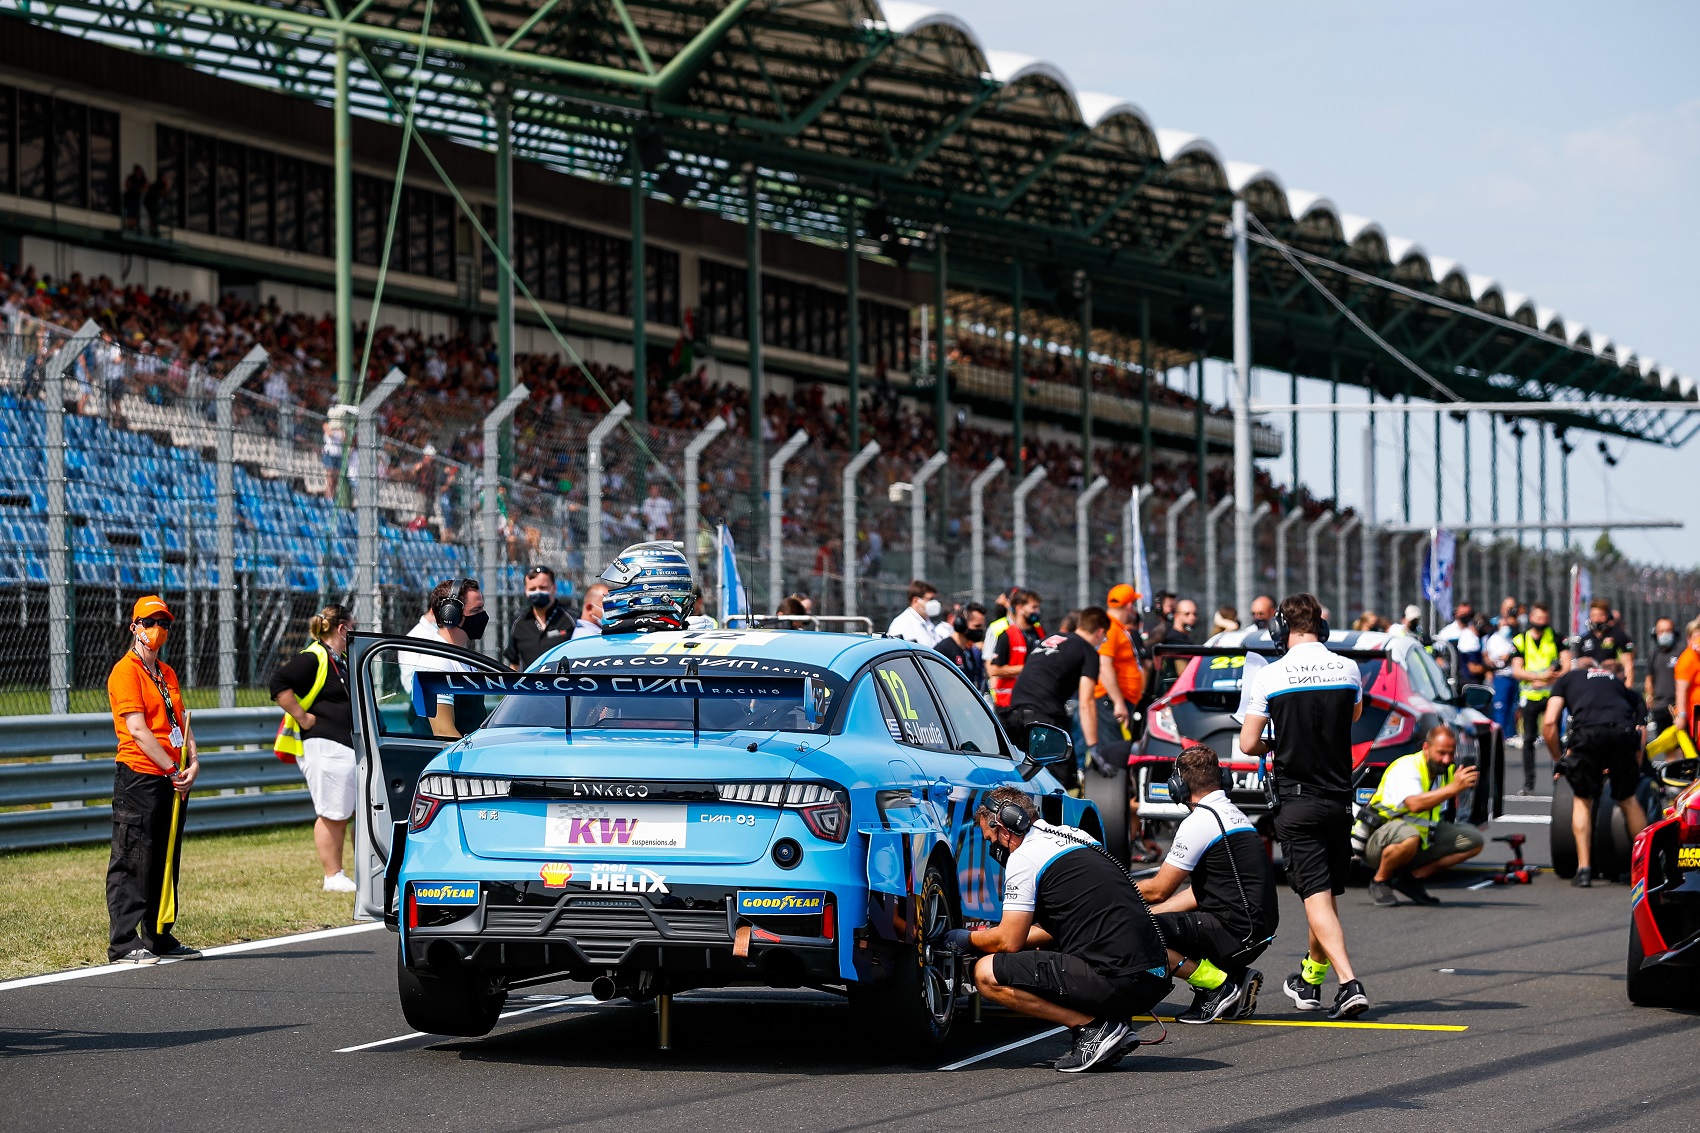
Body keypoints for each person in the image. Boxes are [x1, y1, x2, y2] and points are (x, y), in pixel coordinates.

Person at [947, 787, 1171, 1072]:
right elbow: (1059, 927)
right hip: (1152, 976)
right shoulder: (1075, 836)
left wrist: (966, 939)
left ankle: (1092, 1027)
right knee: (1043, 948)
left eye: (992, 839)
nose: (995, 849)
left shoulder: (1024, 857)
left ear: (1005, 827)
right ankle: (1109, 1019)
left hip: (1120, 979)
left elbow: (1008, 942)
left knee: (987, 973)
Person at [1240, 592, 1369, 1020]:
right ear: (1323, 628)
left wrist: (1277, 741)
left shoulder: (1271, 676)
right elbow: (1352, 717)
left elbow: (1247, 742)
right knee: (1326, 896)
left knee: (1315, 897)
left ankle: (1349, 983)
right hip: (1339, 797)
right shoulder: (1348, 668)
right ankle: (1310, 980)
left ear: (1280, 629)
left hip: (1296, 799)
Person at [1138, 745, 1278, 1024]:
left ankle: (1215, 986)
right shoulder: (1233, 816)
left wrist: (1113, 891)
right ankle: (1235, 977)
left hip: (1234, 933)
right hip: (1254, 932)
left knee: (1135, 931)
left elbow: (1157, 889)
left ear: (1177, 785)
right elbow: (1197, 893)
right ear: (1223, 779)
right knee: (1152, 919)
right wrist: (1154, 913)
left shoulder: (1200, 821)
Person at [105, 596, 202, 965]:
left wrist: (193, 760)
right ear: (135, 626)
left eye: (163, 622)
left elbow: (180, 723)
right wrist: (171, 768)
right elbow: (138, 731)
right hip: (141, 775)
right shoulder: (125, 672)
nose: (157, 628)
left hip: (171, 776)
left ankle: (159, 934)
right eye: (150, 621)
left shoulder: (166, 673)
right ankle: (123, 942)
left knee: (165, 857)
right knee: (133, 857)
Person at [270, 605, 358, 891]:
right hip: (324, 746)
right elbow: (278, 683)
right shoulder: (315, 656)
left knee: (350, 811)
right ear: (342, 628)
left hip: (344, 746)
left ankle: (362, 873)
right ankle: (333, 876)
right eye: (353, 627)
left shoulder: (340, 659)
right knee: (333, 813)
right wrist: (303, 717)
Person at [1544, 661, 1648, 886]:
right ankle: (1643, 867)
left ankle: (1583, 870)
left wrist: (1558, 759)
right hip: (1622, 731)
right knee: (1628, 798)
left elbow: (1550, 721)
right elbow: (1640, 730)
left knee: (1583, 799)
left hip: (1588, 732)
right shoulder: (1617, 683)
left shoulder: (1566, 679)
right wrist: (1633, 767)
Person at [1356, 724, 1485, 906]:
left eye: (1451, 753)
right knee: (1409, 836)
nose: (1446, 759)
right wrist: (1453, 788)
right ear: (1426, 748)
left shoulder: (1445, 771)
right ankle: (1380, 880)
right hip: (1381, 840)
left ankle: (1411, 879)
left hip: (1418, 838)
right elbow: (1414, 804)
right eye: (1441, 753)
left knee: (1473, 840)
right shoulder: (1407, 767)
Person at [1005, 608, 1112, 789]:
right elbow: (1086, 702)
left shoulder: (1053, 637)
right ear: (1100, 632)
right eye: (1104, 637)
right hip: (1044, 715)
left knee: (1020, 775)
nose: (1103, 641)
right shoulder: (1088, 652)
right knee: (1061, 781)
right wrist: (1094, 747)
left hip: (1014, 712)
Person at [403, 579, 489, 739]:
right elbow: (444, 733)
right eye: (476, 610)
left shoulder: (459, 657)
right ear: (452, 615)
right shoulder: (438, 663)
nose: (483, 616)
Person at [1511, 602, 1565, 793]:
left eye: (1544, 618)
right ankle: (1528, 783)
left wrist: (1547, 680)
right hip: (1530, 696)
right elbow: (1517, 671)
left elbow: (1565, 667)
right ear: (1531, 618)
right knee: (1528, 739)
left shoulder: (1557, 638)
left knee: (1555, 738)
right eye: (1538, 618)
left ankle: (1560, 778)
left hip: (1552, 695)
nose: (1541, 622)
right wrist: (1542, 677)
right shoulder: (1520, 640)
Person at [504, 565, 574, 670]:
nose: (538, 592)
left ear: (554, 588)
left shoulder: (572, 618)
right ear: (526, 591)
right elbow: (514, 665)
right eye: (532, 589)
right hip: (529, 685)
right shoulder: (518, 622)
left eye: (543, 588)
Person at [986, 588, 1042, 710]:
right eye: (1033, 607)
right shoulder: (1007, 635)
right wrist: (1027, 668)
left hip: (1034, 701)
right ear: (1019, 607)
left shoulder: (1040, 633)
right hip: (1010, 705)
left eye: (1038, 607)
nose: (1037, 611)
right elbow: (993, 670)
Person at [1564, 598, 1635, 687]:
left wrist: (1627, 689)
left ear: (1607, 616)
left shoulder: (1618, 636)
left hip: (1612, 684)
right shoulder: (1584, 639)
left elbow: (1628, 665)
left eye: (1600, 615)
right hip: (1589, 685)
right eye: (1593, 615)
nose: (1596, 619)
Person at [935, 602, 988, 692]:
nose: (980, 630)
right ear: (961, 625)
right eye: (977, 626)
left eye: (982, 627)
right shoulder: (943, 650)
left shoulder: (968, 651)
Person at [1484, 612, 1520, 738]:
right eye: (1503, 624)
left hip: (1512, 677)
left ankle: (1510, 734)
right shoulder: (1495, 639)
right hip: (1501, 677)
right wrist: (1511, 652)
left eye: (1507, 625)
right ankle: (1500, 734)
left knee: (1513, 707)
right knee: (1501, 707)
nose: (1506, 627)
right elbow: (1504, 658)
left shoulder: (1510, 639)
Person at [1644, 617, 1682, 734]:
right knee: (1666, 747)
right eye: (1661, 631)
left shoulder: (1681, 651)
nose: (1664, 634)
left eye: (1668, 630)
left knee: (1684, 745)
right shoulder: (1653, 653)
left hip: (1678, 706)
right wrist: (1649, 696)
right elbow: (1649, 677)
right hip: (1660, 707)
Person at [887, 579, 947, 645]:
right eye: (930, 599)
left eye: (935, 599)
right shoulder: (901, 624)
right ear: (915, 601)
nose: (934, 603)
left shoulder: (928, 623)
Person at [1436, 603, 1485, 683]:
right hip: (1453, 675)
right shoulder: (1447, 633)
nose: (1465, 617)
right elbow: (1437, 649)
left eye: (1468, 614)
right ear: (1456, 614)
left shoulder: (1476, 631)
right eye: (1462, 614)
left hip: (1473, 677)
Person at [1675, 618, 1700, 738]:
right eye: (1696, 637)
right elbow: (1681, 690)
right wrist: (1681, 715)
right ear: (1689, 639)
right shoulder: (1688, 659)